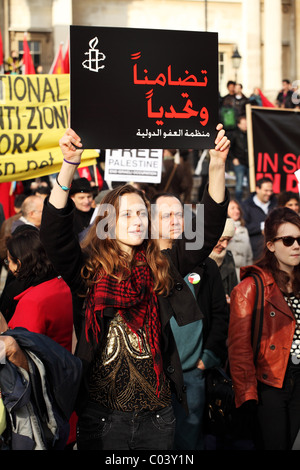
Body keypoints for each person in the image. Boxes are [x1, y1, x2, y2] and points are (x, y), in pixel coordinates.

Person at [39, 123, 230, 450]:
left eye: (142, 213)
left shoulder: (163, 264)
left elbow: (210, 227)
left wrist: (216, 164)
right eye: (127, 214)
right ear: (108, 220)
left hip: (157, 417)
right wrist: (68, 166)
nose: (138, 220)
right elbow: (54, 233)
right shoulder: (87, 271)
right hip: (101, 418)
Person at [151, 191, 228, 450]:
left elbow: (220, 314)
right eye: (166, 215)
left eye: (179, 214)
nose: (175, 220)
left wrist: (208, 357)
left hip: (192, 375)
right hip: (152, 377)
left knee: (189, 443)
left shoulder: (205, 266)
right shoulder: (142, 266)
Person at [228, 207, 300, 450]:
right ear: (270, 245)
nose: (296, 246)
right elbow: (239, 349)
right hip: (270, 384)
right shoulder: (250, 288)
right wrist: (247, 394)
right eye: (288, 240)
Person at [3, 226, 73, 351]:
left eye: (9, 262)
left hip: (47, 366)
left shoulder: (32, 301)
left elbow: (23, 351)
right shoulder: (61, 283)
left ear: (19, 263)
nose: (10, 268)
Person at [242, 177, 277, 261]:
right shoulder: (246, 205)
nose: (269, 193)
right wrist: (261, 226)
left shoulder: (276, 203)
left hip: (274, 254)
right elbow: (243, 227)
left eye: (271, 191)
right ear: (257, 189)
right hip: (255, 254)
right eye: (266, 190)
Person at [209, 218, 238, 303]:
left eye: (228, 240)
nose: (225, 245)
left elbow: (233, 289)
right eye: (221, 240)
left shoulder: (228, 257)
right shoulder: (196, 259)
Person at [227, 199, 253, 281]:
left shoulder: (244, 230)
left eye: (238, 208)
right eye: (233, 208)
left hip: (243, 274)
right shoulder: (221, 228)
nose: (237, 211)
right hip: (228, 274)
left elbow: (249, 255)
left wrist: (249, 273)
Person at [228, 115, 249, 202]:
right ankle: (238, 202)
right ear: (239, 125)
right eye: (243, 124)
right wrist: (233, 158)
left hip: (249, 163)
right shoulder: (234, 135)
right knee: (239, 184)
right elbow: (229, 148)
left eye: (246, 123)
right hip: (239, 162)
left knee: (250, 184)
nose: (245, 125)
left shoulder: (250, 134)